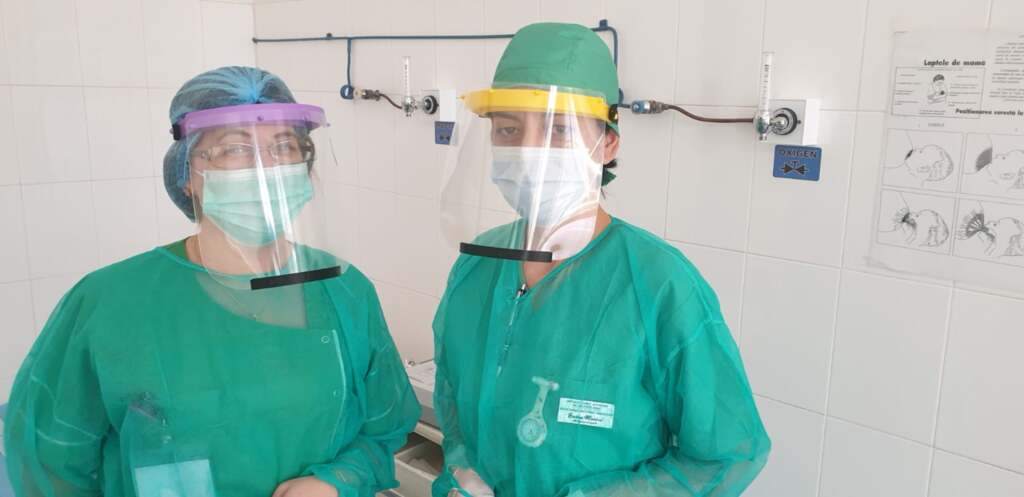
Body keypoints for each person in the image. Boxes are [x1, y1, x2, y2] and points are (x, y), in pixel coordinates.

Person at [4, 66, 420, 497]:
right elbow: (49, 461)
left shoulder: (345, 292)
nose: (265, 168)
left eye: (284, 146)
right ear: (187, 174)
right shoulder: (109, 302)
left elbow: (382, 431)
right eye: (234, 149)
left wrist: (335, 481)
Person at [432, 23, 770, 497]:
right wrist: (464, 473)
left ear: (608, 143)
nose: (528, 152)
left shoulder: (659, 284)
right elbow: (453, 403)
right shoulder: (477, 267)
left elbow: (727, 454)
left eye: (558, 129)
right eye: (508, 129)